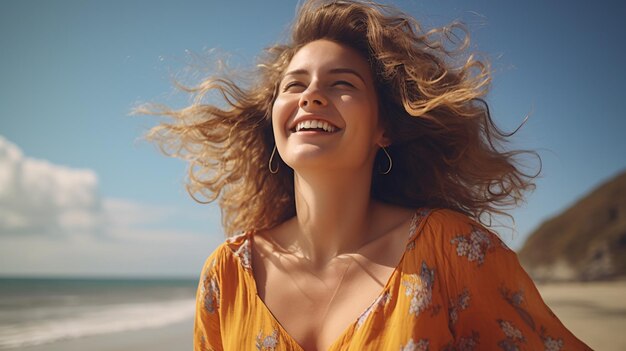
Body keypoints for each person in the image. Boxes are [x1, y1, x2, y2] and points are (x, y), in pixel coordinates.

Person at [146, 1, 591, 350]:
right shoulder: (227, 274)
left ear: (384, 128)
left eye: (342, 83)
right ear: (274, 119)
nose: (312, 96)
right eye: (295, 85)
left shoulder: (451, 252)